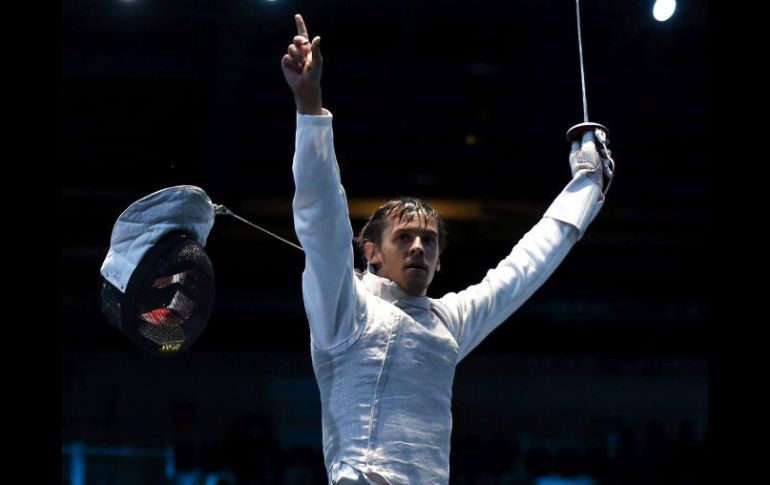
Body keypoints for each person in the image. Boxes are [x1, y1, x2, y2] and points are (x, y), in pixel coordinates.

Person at [281, 13, 608, 485]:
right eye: (404, 238)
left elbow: (522, 270)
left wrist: (588, 187)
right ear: (371, 252)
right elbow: (321, 219)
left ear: (439, 259)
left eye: (429, 241)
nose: (418, 247)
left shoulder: (448, 321)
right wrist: (309, 104)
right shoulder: (345, 310)